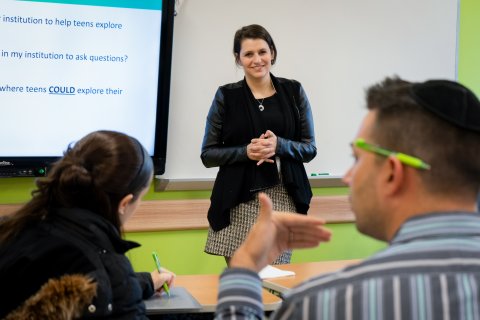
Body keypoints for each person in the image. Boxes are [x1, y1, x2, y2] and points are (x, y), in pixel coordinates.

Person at [214, 77, 480, 319]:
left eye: (357, 159)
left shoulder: (321, 305)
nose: (347, 176)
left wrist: (245, 265)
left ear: (392, 173)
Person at [0, 130, 175, 319]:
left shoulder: (17, 228)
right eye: (141, 198)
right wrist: (124, 284)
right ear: (124, 204)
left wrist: (142, 282)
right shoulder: (106, 268)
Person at [201, 24, 317, 265]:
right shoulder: (226, 96)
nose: (257, 60)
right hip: (237, 199)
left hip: (283, 196)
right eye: (248, 54)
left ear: (272, 52)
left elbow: (309, 148)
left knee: (273, 284)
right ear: (238, 59)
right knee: (241, 283)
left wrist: (279, 146)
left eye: (262, 52)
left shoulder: (293, 91)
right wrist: (246, 152)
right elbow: (208, 154)